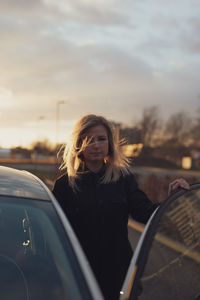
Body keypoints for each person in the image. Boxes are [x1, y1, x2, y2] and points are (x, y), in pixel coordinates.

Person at [52, 114, 190, 300]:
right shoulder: (64, 186)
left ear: (109, 143)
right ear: (78, 144)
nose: (96, 145)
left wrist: (173, 199)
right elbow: (53, 233)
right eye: (89, 140)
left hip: (119, 274)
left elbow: (145, 213)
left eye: (101, 139)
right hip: (80, 275)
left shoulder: (122, 178)